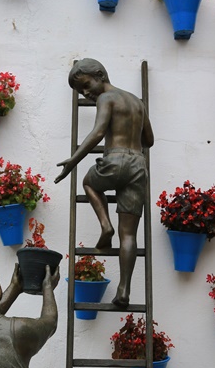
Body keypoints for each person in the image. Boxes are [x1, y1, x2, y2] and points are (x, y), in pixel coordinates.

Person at [54, 58, 154, 307]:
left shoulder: (106, 99)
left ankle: (105, 225)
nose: (86, 93)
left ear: (100, 74)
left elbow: (98, 132)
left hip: (115, 159)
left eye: (86, 86)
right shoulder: (138, 103)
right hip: (138, 165)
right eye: (81, 92)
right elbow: (149, 140)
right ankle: (124, 289)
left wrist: (73, 161)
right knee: (129, 234)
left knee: (89, 182)